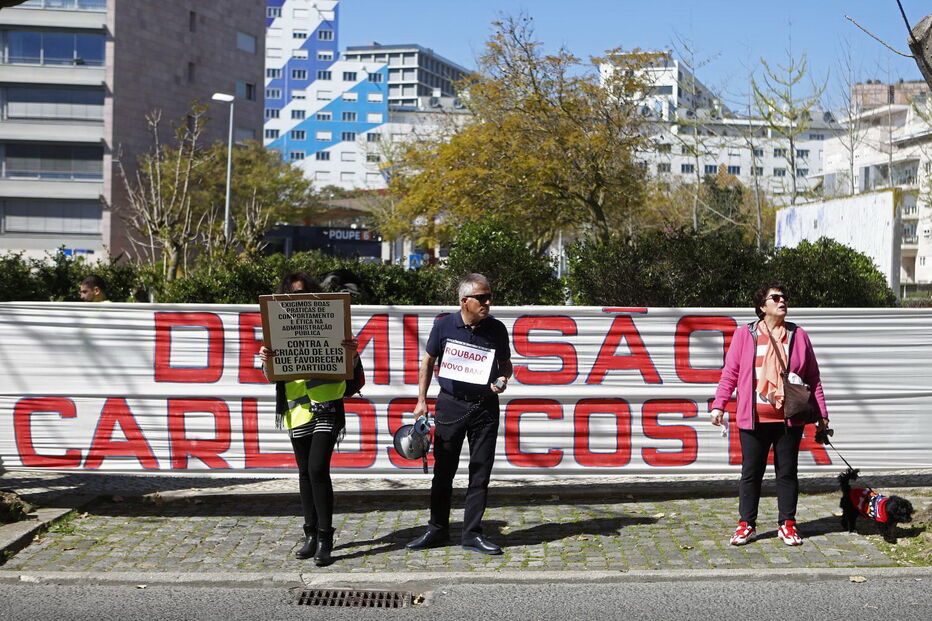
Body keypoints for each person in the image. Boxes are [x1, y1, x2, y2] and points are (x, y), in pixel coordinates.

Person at [710, 283, 829, 547]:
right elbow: (730, 373)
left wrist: (822, 413)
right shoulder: (745, 334)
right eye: (775, 297)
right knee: (751, 473)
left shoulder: (798, 335)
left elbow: (813, 377)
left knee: (787, 473)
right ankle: (746, 525)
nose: (782, 301)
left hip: (790, 417)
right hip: (753, 418)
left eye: (784, 297)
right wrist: (719, 404)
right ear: (762, 306)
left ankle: (787, 524)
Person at [406, 273, 512, 555]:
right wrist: (421, 400)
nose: (487, 303)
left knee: (480, 471)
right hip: (450, 404)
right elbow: (428, 361)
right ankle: (437, 529)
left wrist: (502, 380)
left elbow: (506, 364)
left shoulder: (497, 329)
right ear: (464, 301)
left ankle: (472, 534)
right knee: (443, 471)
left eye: (489, 297)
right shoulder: (443, 326)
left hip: (485, 407)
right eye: (482, 298)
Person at [259, 271, 358, 567]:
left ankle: (326, 538)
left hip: (327, 405)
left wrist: (351, 354)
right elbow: (271, 377)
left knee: (317, 469)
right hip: (296, 409)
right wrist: (266, 361)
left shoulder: (330, 322)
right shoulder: (278, 329)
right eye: (292, 295)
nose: (298, 299)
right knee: (305, 473)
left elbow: (350, 370)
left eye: (302, 293)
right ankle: (311, 534)